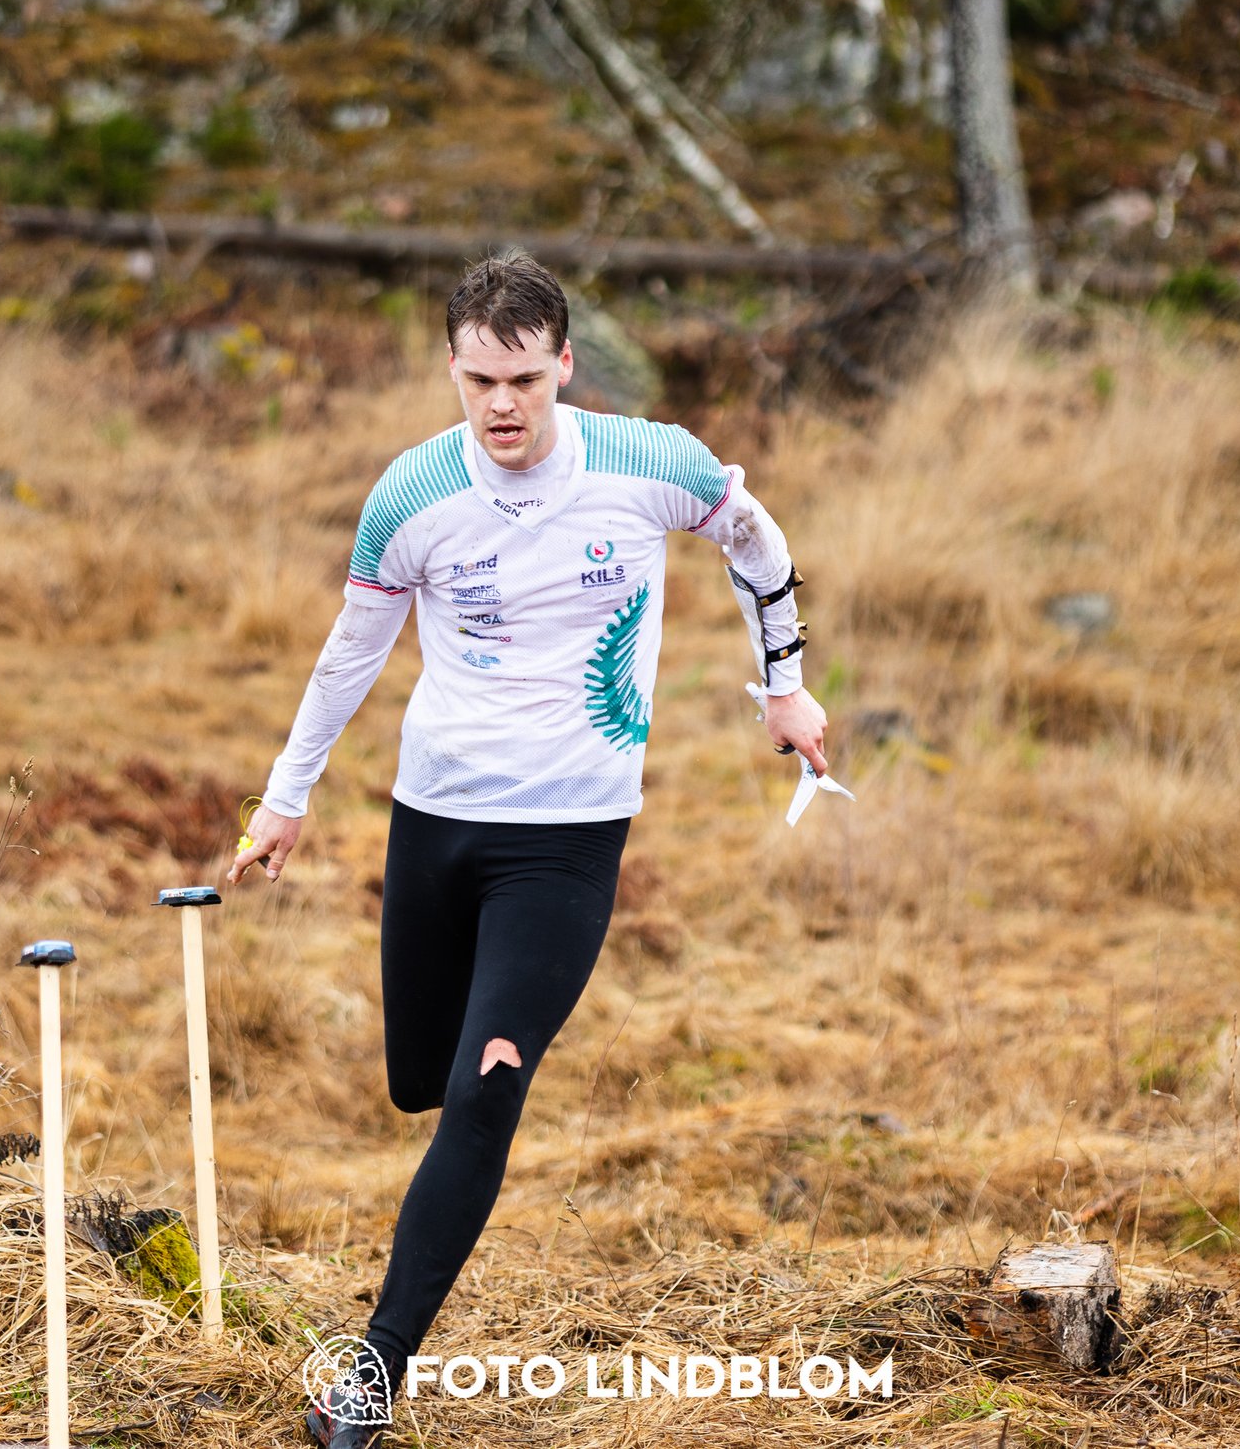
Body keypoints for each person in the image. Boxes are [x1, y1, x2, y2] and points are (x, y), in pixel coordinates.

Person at [226, 250, 827, 1449]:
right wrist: (283, 799)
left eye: (522, 380)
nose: (500, 407)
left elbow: (760, 548)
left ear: (563, 365)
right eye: (475, 380)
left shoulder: (652, 463)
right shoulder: (412, 494)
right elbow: (350, 654)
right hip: (435, 817)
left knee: (487, 1086)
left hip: (565, 838)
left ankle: (369, 1373)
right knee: (420, 1080)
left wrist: (785, 689)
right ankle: (443, 1102)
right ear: (450, 369)